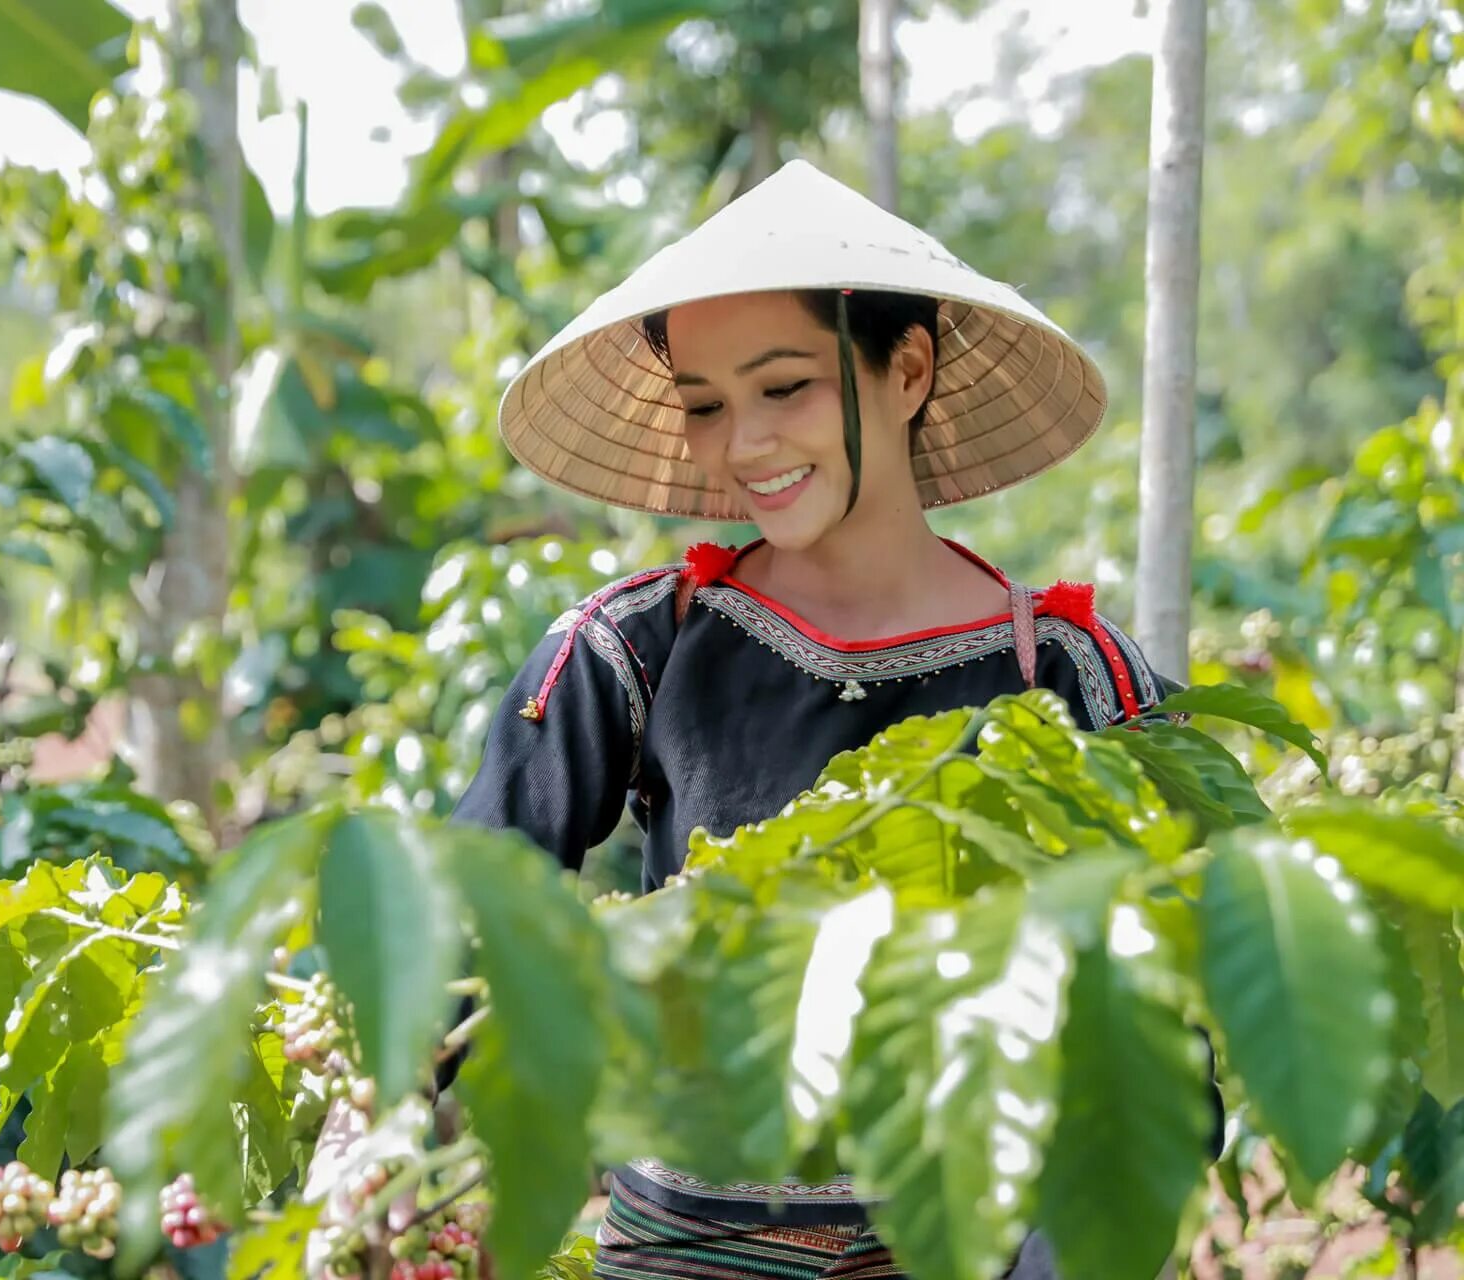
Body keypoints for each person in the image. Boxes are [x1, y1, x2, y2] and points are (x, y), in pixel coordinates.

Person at [451, 160, 1167, 1279]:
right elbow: (466, 916)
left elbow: (1169, 1037)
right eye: (704, 404)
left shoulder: (1070, 675)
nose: (744, 444)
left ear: (910, 367)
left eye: (785, 387)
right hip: (682, 1249)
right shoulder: (637, 644)